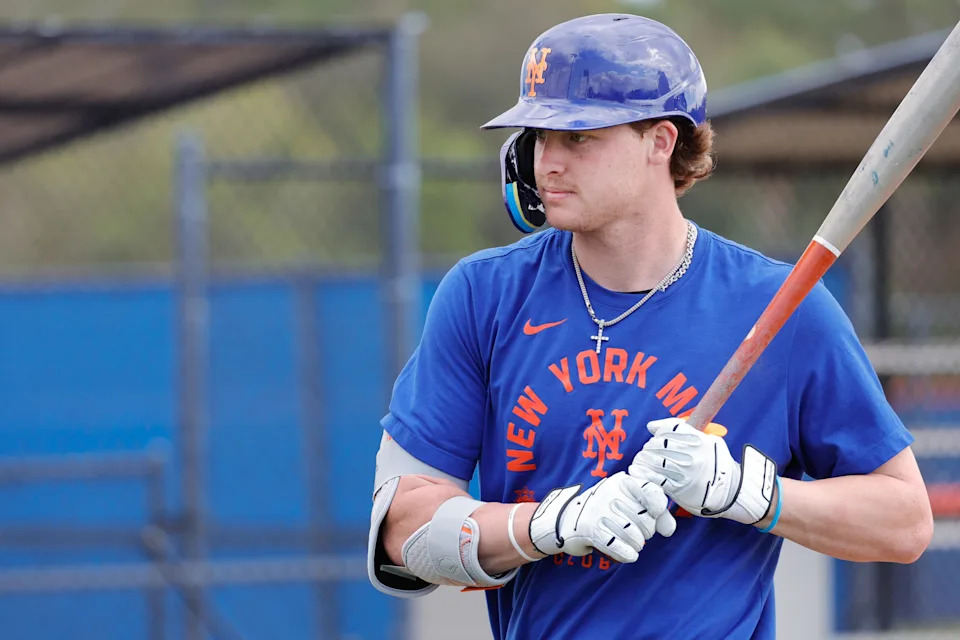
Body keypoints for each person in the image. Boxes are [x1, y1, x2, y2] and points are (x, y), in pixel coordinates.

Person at [366, 13, 933, 639]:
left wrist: (750, 491)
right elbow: (402, 529)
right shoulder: (484, 295)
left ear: (661, 142)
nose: (546, 162)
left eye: (577, 137)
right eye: (537, 135)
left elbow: (904, 521)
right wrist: (551, 525)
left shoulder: (779, 308)